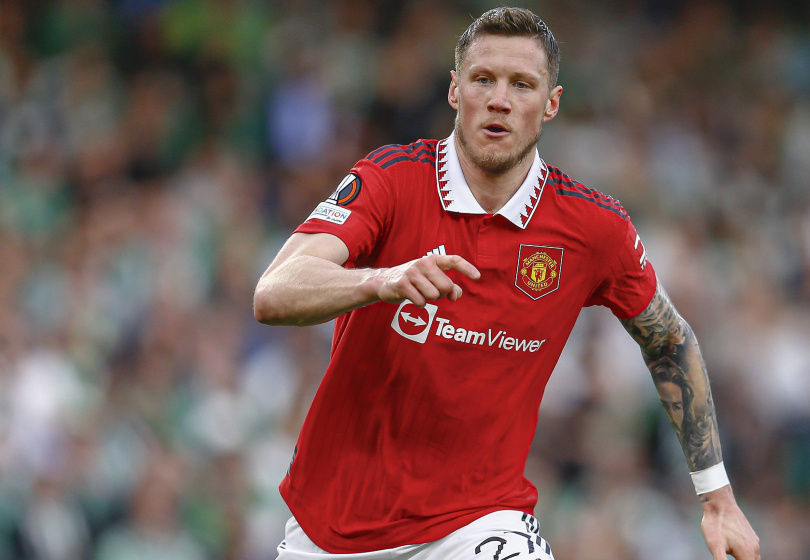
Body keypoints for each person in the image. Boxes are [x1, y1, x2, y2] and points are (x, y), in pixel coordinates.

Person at [254, 7, 760, 560]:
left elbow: (669, 340)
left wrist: (717, 498)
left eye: (522, 84)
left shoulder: (593, 227)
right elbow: (274, 292)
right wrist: (381, 280)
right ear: (455, 91)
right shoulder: (391, 180)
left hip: (477, 522)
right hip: (332, 525)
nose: (500, 100)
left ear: (551, 104)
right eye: (483, 79)